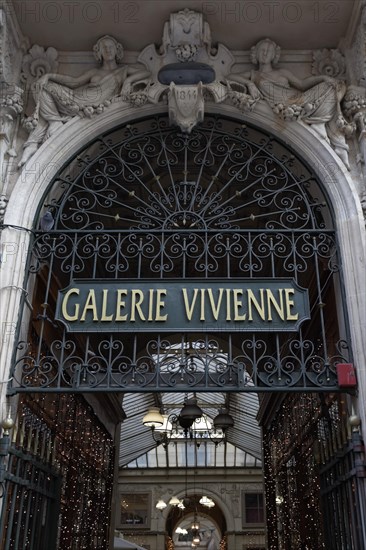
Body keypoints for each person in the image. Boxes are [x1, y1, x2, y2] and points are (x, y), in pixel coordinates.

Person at [18, 35, 150, 167]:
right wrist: (48, 75)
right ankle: (54, 122)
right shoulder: (94, 71)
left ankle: (33, 143)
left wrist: (128, 80)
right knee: (41, 86)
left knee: (42, 108)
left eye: (110, 47)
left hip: (94, 106)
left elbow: (146, 72)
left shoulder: (124, 70)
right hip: (76, 99)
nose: (108, 50)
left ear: (117, 50)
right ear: (99, 52)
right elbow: (74, 82)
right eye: (104, 48)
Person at [227, 38, 352, 168]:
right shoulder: (253, 74)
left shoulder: (282, 72)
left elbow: (302, 84)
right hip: (282, 108)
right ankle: (317, 123)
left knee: (330, 88)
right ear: (256, 54)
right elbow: (229, 77)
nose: (265, 54)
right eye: (262, 50)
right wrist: (249, 83)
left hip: (298, 100)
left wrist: (323, 78)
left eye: (269, 51)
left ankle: (320, 124)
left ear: (274, 55)